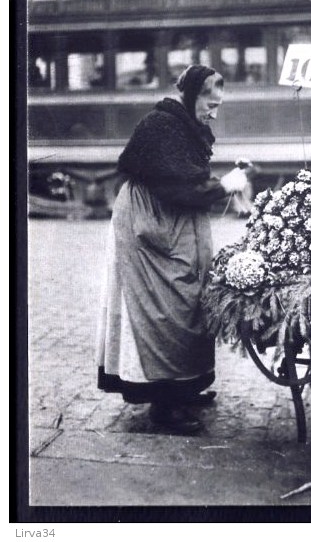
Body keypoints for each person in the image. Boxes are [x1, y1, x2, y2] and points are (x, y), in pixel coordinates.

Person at [96, 65, 248, 435]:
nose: (214, 112)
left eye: (218, 105)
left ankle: (184, 387)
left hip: (173, 219)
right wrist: (225, 186)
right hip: (150, 224)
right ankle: (164, 405)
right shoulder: (161, 125)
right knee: (165, 305)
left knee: (190, 296)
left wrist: (222, 183)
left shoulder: (183, 125)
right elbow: (177, 189)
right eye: (209, 104)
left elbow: (186, 177)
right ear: (193, 94)